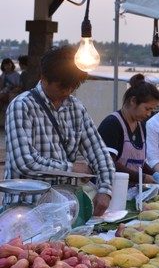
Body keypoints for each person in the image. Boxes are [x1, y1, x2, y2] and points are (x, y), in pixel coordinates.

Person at [3, 45, 115, 216]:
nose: (67, 92)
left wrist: (106, 189)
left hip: (63, 208)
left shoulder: (75, 107)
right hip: (25, 209)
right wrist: (71, 169)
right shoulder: (21, 106)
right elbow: (25, 162)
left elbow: (98, 150)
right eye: (62, 87)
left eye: (72, 87)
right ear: (44, 78)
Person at [98, 75, 159, 185]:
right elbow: (109, 163)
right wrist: (142, 177)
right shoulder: (112, 124)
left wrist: (154, 174)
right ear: (133, 101)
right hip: (111, 190)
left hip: (133, 191)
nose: (148, 114)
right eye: (147, 109)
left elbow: (139, 164)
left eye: (151, 110)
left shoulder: (141, 126)